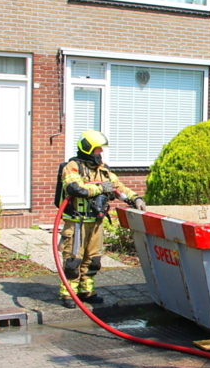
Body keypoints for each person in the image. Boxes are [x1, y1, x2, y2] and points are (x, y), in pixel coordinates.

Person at [58, 130, 145, 306]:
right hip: (77, 222)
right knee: (73, 259)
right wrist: (100, 189)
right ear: (88, 148)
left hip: (95, 222)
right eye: (98, 148)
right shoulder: (73, 167)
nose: (101, 152)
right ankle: (69, 294)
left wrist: (135, 198)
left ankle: (86, 291)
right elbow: (75, 188)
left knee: (93, 259)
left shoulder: (103, 170)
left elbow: (118, 188)